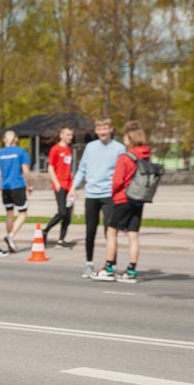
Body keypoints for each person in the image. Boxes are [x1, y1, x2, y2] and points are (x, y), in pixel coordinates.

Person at [68, 117, 127, 278]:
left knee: (110, 232)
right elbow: (82, 169)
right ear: (96, 131)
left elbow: (124, 171)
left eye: (105, 128)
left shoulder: (119, 148)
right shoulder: (90, 147)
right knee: (90, 230)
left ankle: (111, 265)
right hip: (92, 194)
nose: (102, 132)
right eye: (99, 129)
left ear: (111, 129)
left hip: (110, 195)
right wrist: (73, 187)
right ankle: (89, 263)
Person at [93, 121, 150, 283]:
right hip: (138, 199)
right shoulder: (145, 157)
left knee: (111, 232)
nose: (124, 139)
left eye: (126, 137)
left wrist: (113, 194)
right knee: (133, 235)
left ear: (131, 139)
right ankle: (131, 270)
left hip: (123, 198)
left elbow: (117, 181)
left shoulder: (125, 157)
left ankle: (109, 268)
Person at [0, 130, 33, 253]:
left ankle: (10, 241)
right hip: (17, 185)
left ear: (4, 140)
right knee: (23, 213)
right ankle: (10, 236)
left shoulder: (0, 153)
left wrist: (1, 183)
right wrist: (30, 185)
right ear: (16, 139)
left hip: (5, 187)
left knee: (9, 214)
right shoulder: (21, 152)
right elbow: (26, 171)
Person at [43, 127, 75, 247]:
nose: (70, 137)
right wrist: (56, 183)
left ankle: (61, 240)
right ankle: (45, 231)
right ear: (61, 135)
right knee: (62, 212)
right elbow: (50, 167)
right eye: (68, 135)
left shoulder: (69, 150)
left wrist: (72, 187)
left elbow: (68, 169)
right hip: (59, 185)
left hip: (68, 186)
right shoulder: (55, 149)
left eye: (71, 135)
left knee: (68, 215)